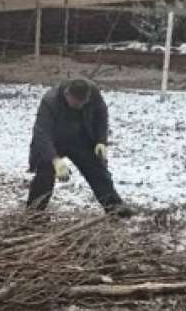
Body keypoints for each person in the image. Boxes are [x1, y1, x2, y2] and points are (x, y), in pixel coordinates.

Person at [26, 78, 132, 217]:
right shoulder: (50, 101)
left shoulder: (93, 93)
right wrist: (55, 159)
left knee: (98, 172)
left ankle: (115, 209)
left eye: (83, 103)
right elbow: (42, 133)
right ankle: (34, 214)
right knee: (44, 174)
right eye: (75, 103)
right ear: (67, 94)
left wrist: (101, 141)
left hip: (81, 139)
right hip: (54, 142)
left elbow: (101, 114)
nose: (80, 106)